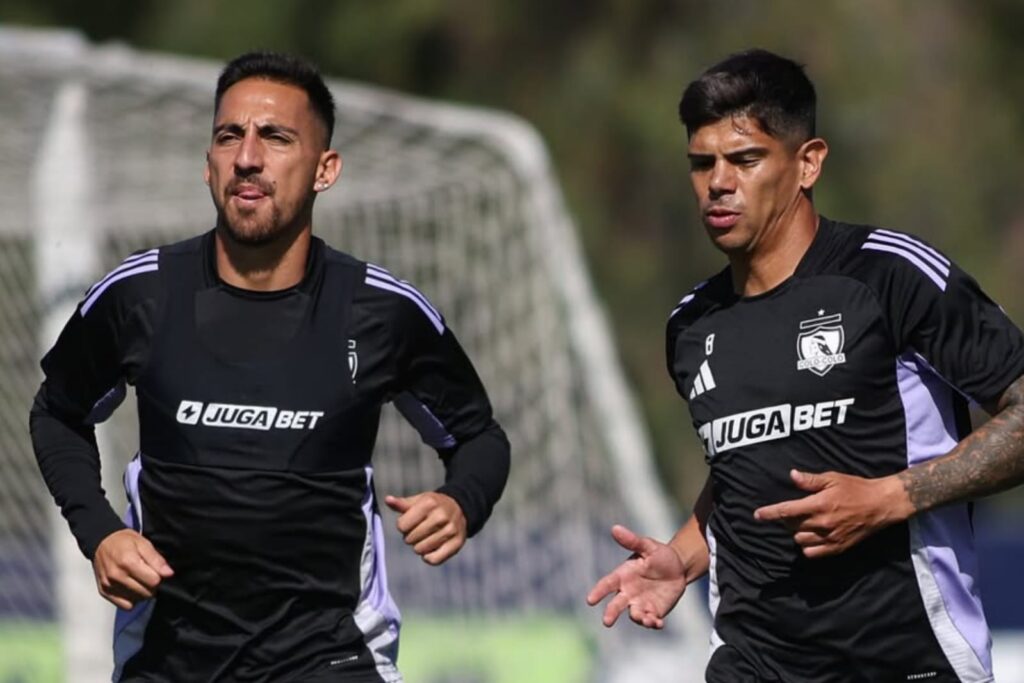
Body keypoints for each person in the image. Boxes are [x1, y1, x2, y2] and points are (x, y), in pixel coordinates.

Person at [30, 51, 510, 683]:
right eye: (230, 136)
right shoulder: (140, 294)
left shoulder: (382, 310)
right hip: (169, 663)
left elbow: (479, 437)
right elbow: (56, 413)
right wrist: (99, 532)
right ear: (208, 164)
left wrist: (460, 501)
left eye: (276, 137)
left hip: (331, 659)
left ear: (325, 169)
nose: (248, 157)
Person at [586, 48, 1024, 682]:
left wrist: (890, 497)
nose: (718, 183)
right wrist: (683, 557)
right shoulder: (691, 324)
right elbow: (746, 466)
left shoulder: (890, 277)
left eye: (744, 159)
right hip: (753, 663)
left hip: (906, 661)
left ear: (808, 163)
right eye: (701, 163)